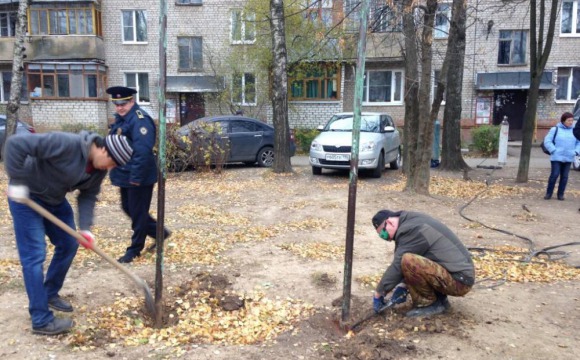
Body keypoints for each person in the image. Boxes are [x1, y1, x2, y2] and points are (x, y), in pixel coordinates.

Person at [5, 131, 133, 336]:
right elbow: (16, 144)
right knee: (35, 255)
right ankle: (40, 319)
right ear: (102, 148)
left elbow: (88, 195)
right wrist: (18, 181)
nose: (109, 169)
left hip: (54, 200)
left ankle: (49, 292)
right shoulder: (66, 144)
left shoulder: (98, 170)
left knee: (69, 244)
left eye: (114, 167)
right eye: (111, 162)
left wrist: (85, 228)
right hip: (26, 197)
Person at [106, 86, 171, 263]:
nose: (120, 107)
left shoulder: (139, 120)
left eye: (123, 103)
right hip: (125, 174)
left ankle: (134, 250)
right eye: (117, 104)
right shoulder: (121, 119)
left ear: (132, 101)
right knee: (129, 209)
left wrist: (136, 177)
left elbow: (142, 151)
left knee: (138, 213)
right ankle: (160, 232)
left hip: (138, 176)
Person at [371, 210, 475, 317]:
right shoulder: (411, 222)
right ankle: (440, 300)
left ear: (390, 223)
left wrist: (379, 293)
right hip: (454, 274)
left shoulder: (411, 230)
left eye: (383, 233)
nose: (384, 237)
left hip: (460, 281)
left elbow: (398, 265)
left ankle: (429, 304)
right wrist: (402, 285)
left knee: (408, 260)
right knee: (409, 261)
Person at [543, 112, 580, 201]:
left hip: (568, 157)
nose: (571, 122)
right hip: (556, 157)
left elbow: (579, 142)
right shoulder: (555, 129)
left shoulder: (574, 131)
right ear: (563, 121)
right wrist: (553, 150)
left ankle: (560, 194)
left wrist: (575, 152)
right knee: (554, 175)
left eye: (572, 120)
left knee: (564, 177)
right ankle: (549, 193)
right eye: (569, 120)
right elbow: (547, 141)